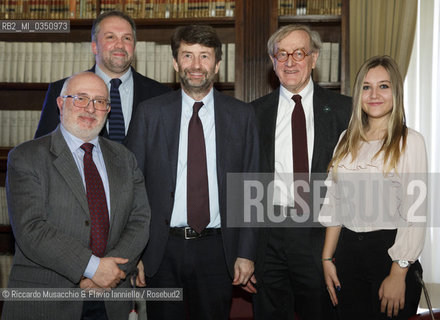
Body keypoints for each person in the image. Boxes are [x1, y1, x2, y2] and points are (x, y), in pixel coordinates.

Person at [125, 24, 259, 320]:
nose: (196, 65)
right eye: (188, 56)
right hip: (161, 250)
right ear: (175, 63)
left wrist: (247, 252)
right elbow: (131, 189)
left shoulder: (241, 115)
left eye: (205, 56)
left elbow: (252, 188)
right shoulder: (150, 113)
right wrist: (135, 253)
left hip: (218, 251)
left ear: (218, 65)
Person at [3, 72, 151, 320]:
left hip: (111, 300)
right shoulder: (27, 157)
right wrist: (93, 268)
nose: (90, 108)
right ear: (61, 104)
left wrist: (112, 272)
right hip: (47, 302)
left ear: (108, 110)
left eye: (99, 101)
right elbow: (32, 229)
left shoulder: (125, 158)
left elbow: (140, 220)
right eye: (81, 98)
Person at [250, 24, 352, 320]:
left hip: (321, 234)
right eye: (282, 54)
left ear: (314, 58)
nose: (290, 61)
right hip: (268, 237)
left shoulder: (344, 111)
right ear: (273, 61)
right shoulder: (252, 114)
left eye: (299, 53)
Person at [319, 55, 427, 320]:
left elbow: (415, 213)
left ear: (396, 92)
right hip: (346, 256)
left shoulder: (410, 141)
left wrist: (398, 272)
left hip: (389, 255)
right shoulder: (346, 139)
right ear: (358, 94)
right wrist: (327, 259)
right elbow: (335, 203)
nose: (374, 94)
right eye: (367, 87)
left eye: (384, 86)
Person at [34, 10, 171, 141]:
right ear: (94, 47)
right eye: (110, 37)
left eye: (127, 38)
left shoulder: (161, 95)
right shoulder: (62, 90)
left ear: (134, 48)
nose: (120, 45)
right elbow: (43, 151)